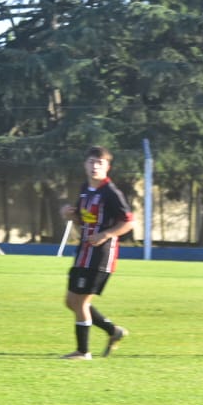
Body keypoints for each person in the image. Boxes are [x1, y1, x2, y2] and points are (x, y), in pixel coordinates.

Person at [59, 146, 133, 360]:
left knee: (80, 302)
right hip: (83, 251)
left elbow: (128, 222)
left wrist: (105, 235)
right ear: (85, 165)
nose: (95, 167)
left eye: (100, 163)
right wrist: (69, 214)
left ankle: (83, 352)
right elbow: (83, 220)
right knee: (71, 301)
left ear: (108, 167)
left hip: (101, 256)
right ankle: (113, 331)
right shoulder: (85, 189)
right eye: (92, 162)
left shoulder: (111, 193)